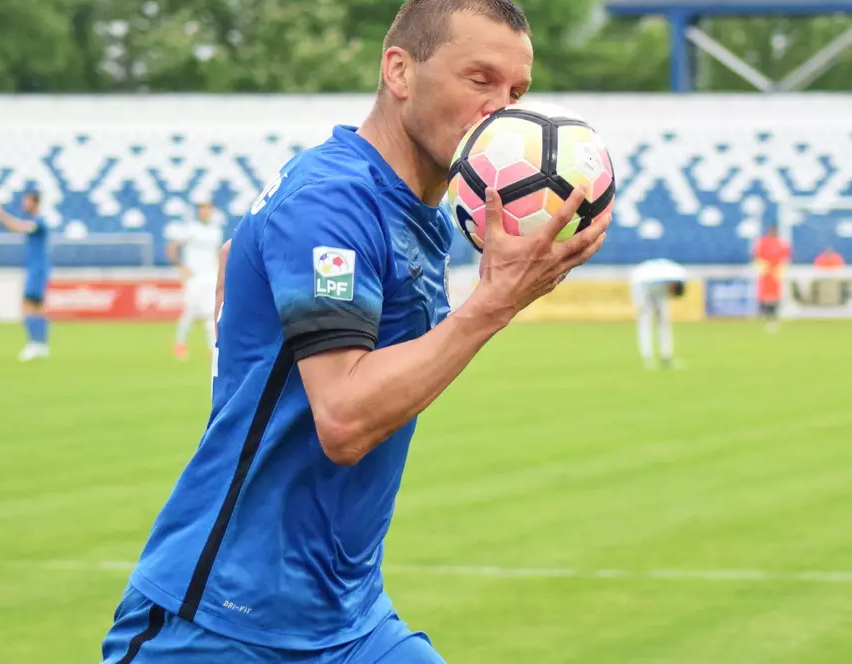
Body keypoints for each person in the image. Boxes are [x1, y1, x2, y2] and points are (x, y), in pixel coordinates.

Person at [99, 2, 609, 663]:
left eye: (516, 92)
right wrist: (492, 305)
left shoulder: (416, 211)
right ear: (399, 71)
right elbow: (342, 418)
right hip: (223, 621)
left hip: (348, 617)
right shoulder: (333, 199)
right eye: (479, 79)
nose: (502, 110)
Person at [0, 193, 51, 361]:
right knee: (38, 307)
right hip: (37, 268)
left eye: (27, 200)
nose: (24, 203)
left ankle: (33, 344)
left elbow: (17, 227)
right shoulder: (36, 221)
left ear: (35, 202)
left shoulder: (38, 222)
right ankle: (41, 345)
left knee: (27, 305)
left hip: (37, 269)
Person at [165, 202, 223, 359]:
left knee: (211, 312)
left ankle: (212, 346)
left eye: (209, 209)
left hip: (211, 275)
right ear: (199, 211)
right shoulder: (190, 229)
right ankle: (180, 343)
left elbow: (217, 253)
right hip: (194, 278)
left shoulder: (215, 230)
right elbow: (172, 247)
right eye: (203, 209)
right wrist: (180, 267)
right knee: (190, 311)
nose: (206, 212)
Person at [629, 258, 687, 369]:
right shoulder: (642, 276)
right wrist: (641, 305)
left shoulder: (669, 277)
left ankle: (666, 356)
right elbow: (641, 300)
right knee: (645, 322)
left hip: (656, 291)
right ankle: (647, 357)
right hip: (642, 289)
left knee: (664, 321)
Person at [754, 224, 791, 334]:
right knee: (764, 294)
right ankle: (764, 314)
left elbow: (786, 256)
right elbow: (757, 256)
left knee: (775, 295)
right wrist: (761, 267)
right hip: (766, 272)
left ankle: (773, 316)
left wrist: (781, 268)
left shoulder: (781, 243)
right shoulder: (763, 242)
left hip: (776, 273)